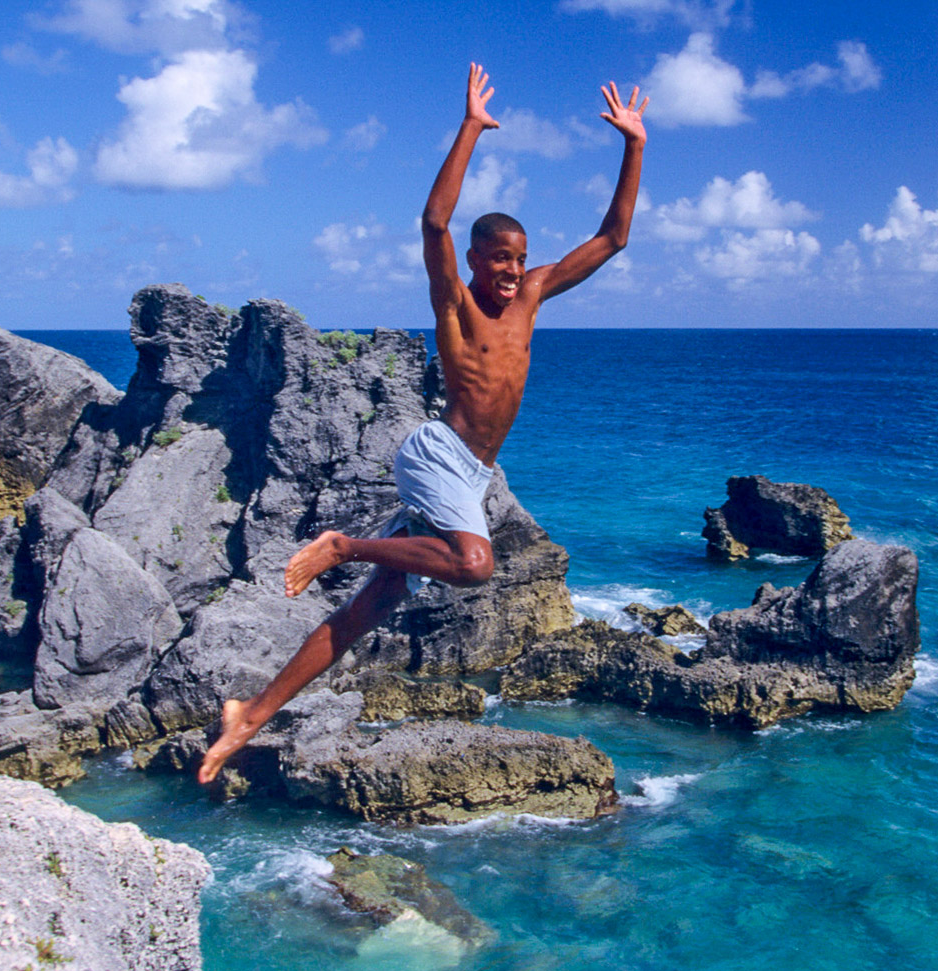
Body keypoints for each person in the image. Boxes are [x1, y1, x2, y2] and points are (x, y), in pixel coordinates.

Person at [197, 63, 647, 784]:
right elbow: (434, 221)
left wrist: (634, 145)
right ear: (473, 260)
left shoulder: (531, 297)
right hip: (436, 454)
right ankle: (344, 545)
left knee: (371, 610)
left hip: (471, 473)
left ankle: (246, 715)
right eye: (500, 258)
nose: (512, 269)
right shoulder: (456, 306)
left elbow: (613, 238)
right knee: (475, 565)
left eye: (520, 259)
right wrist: (471, 127)